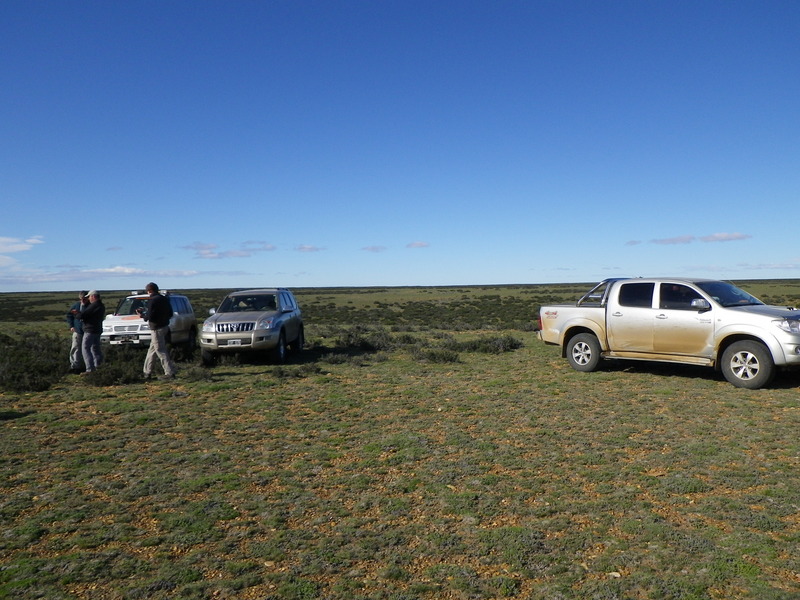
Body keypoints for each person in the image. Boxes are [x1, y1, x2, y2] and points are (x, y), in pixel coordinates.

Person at [138, 282, 177, 380]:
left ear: (149, 291)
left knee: (160, 350)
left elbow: (150, 316)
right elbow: (170, 313)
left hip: (156, 328)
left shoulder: (152, 300)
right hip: (164, 326)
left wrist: (142, 315)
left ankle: (169, 372)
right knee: (152, 350)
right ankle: (147, 372)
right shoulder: (164, 299)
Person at [79, 290, 105, 373]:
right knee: (95, 349)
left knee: (85, 348)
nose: (89, 299)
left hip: (90, 330)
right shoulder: (101, 305)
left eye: (89, 297)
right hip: (97, 329)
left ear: (93, 296)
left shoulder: (94, 305)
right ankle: (99, 367)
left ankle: (90, 369)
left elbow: (83, 315)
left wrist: (77, 313)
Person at [66, 291, 89, 373]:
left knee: (88, 348)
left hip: (88, 331)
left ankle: (89, 366)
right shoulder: (76, 306)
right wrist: (71, 325)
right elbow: (69, 315)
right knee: (75, 347)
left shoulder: (90, 306)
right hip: (78, 330)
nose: (83, 301)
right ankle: (75, 366)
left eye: (85, 299)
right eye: (81, 299)